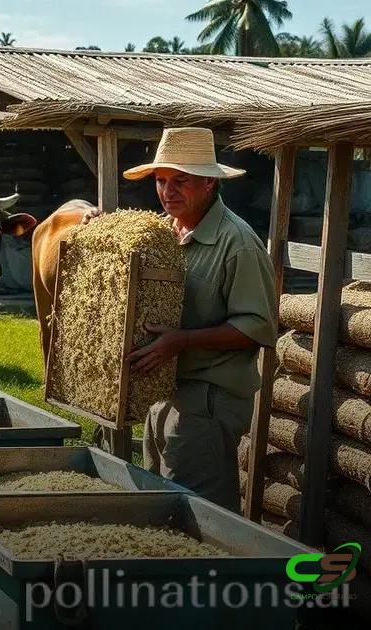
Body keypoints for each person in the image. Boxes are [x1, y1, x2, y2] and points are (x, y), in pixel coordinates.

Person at [84, 127, 278, 512]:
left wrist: (181, 340)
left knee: (198, 514)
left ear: (209, 182)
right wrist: (101, 233)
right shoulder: (162, 233)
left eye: (180, 181)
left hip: (207, 399)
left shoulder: (236, 243)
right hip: (164, 390)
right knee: (160, 504)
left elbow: (257, 328)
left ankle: (216, 574)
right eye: (160, 181)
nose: (167, 191)